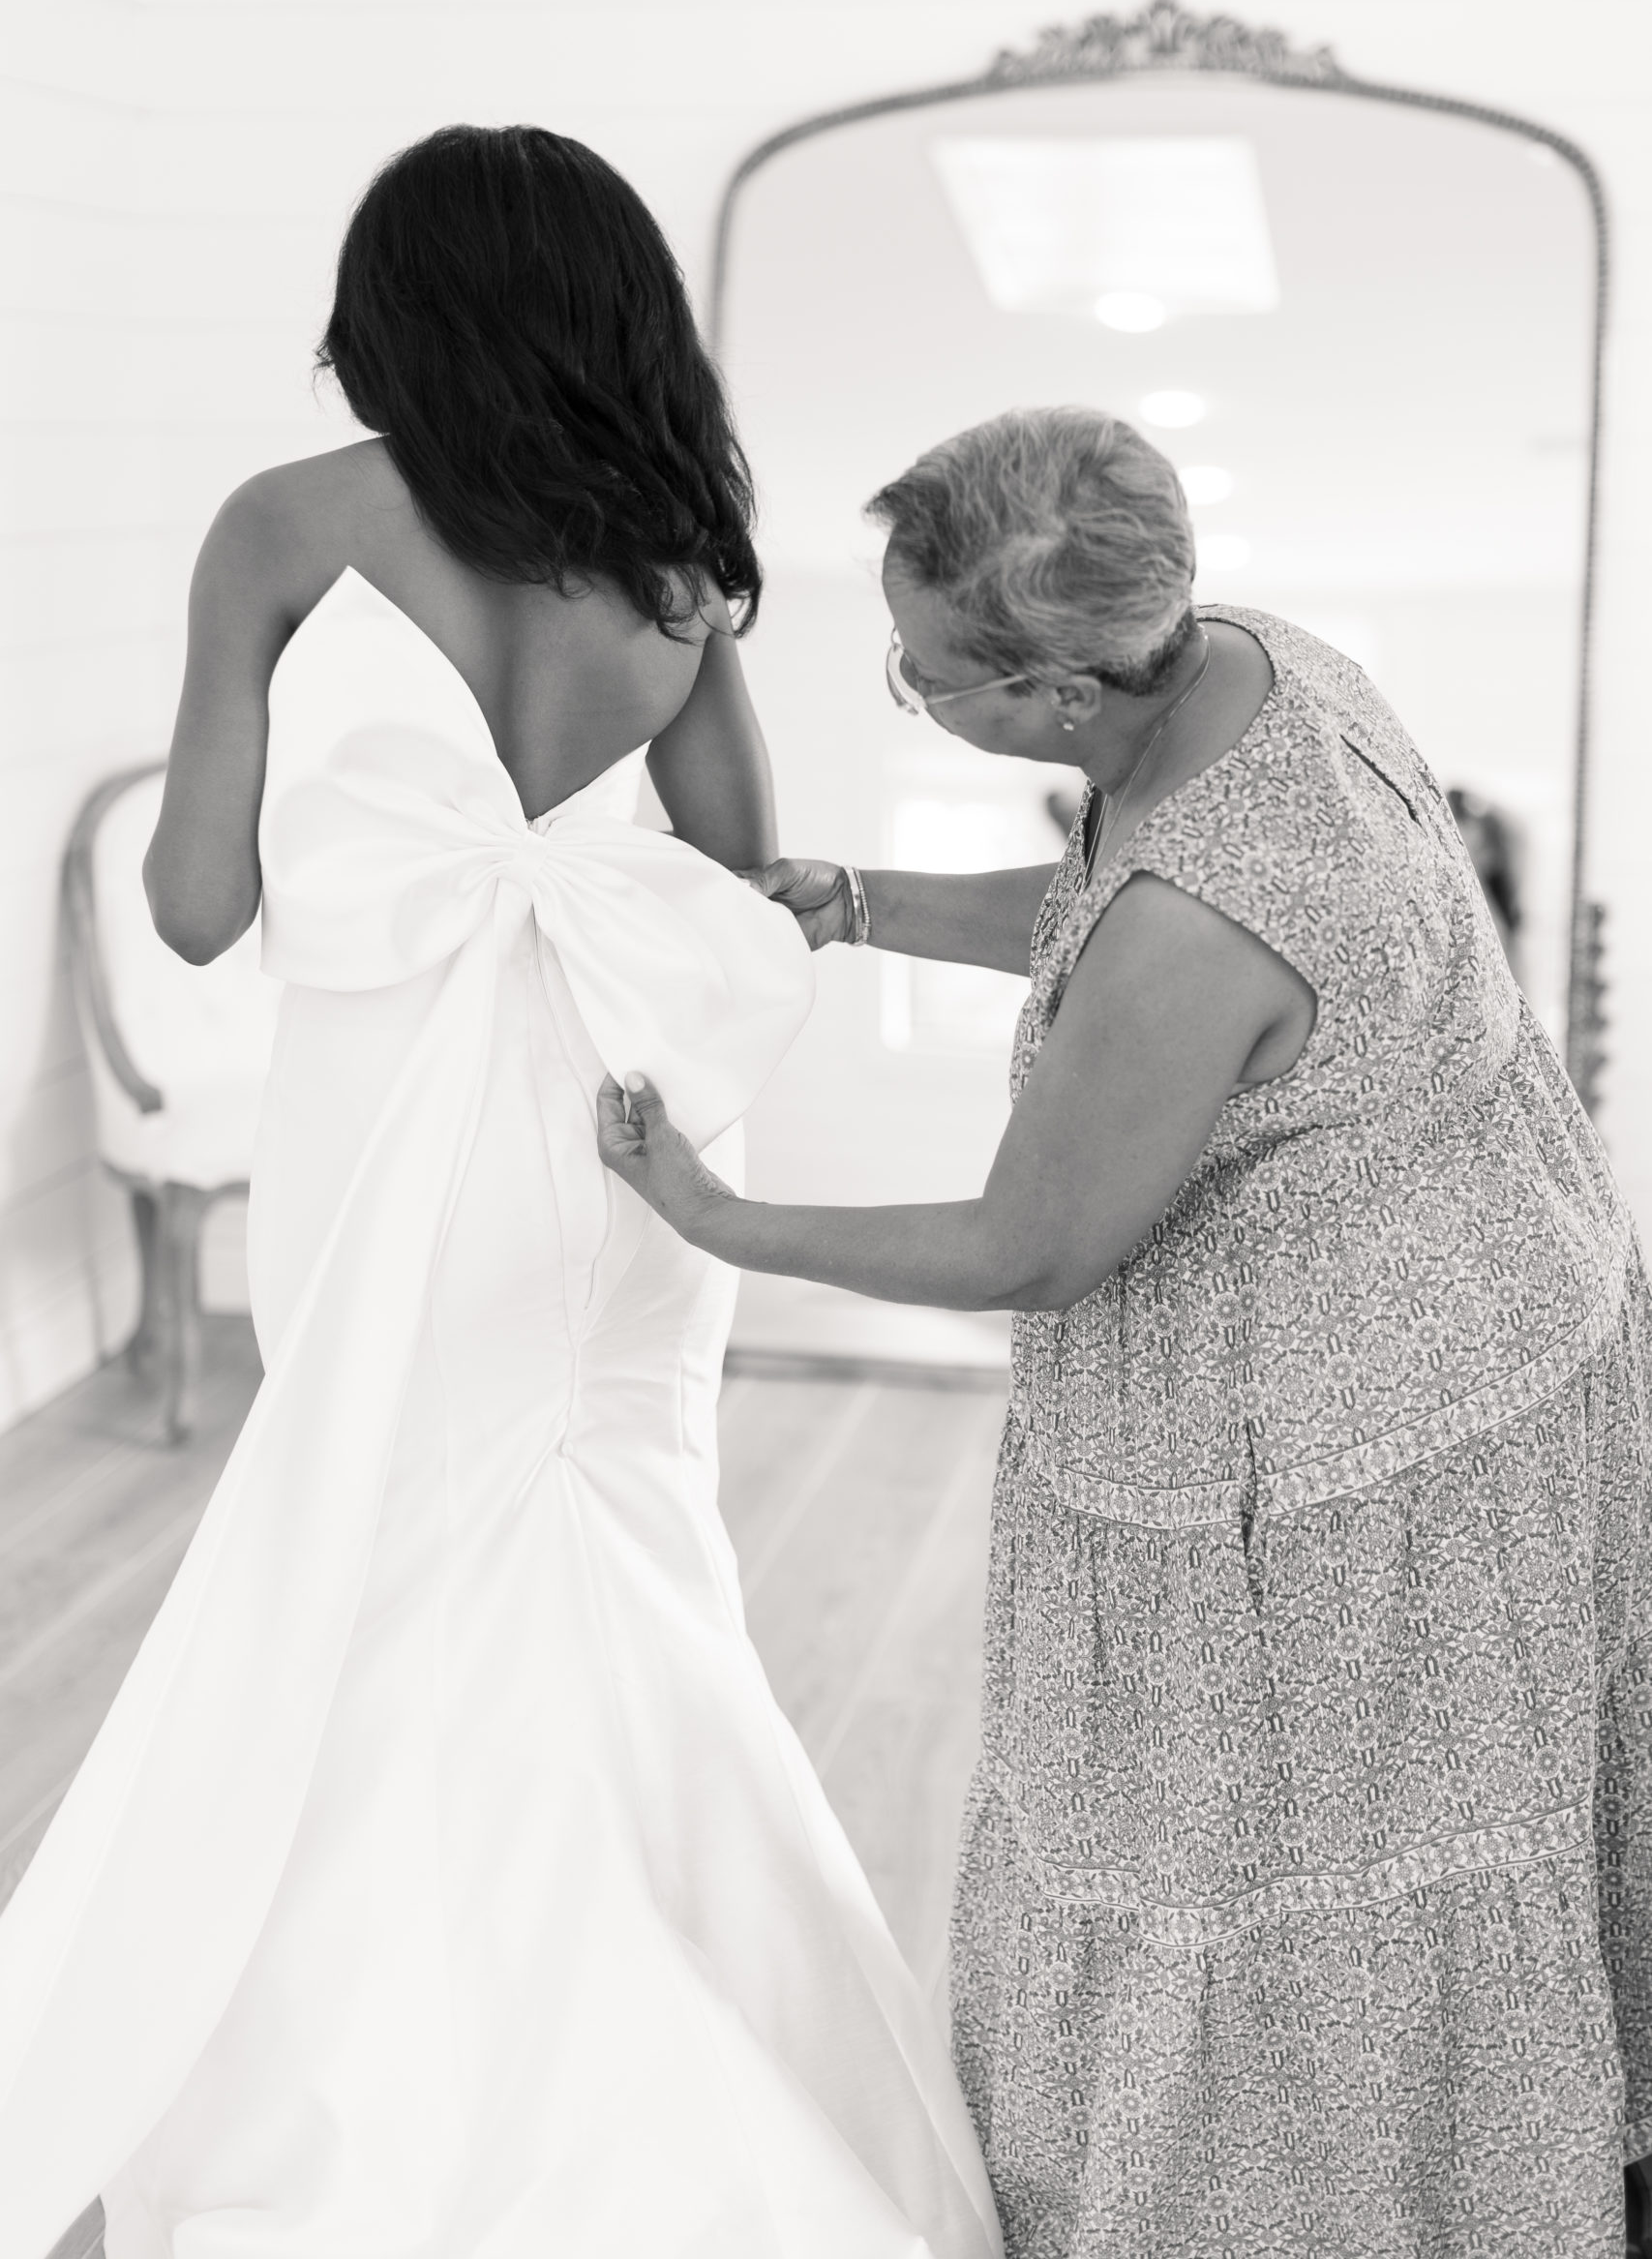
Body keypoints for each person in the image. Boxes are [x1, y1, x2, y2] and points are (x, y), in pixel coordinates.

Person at [0, 127, 1002, 2259]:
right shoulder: (662, 551)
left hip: (386, 1155)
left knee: (374, 1581)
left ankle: (408, 2088)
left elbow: (187, 908)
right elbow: (734, 858)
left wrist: (334, 804)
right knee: (617, 1557)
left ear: (396, 312)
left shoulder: (285, 524)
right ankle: (684, 2042)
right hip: (617, 1143)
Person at [598, 405, 1652, 2259]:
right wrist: (859, 903)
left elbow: (1035, 1238)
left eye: (929, 682)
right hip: (1496, 1305)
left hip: (1356, 1436)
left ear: (1058, 697)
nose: (910, 694)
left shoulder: (1204, 921)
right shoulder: (1250, 663)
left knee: (1271, 1863)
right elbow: (1106, 919)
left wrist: (715, 1215)